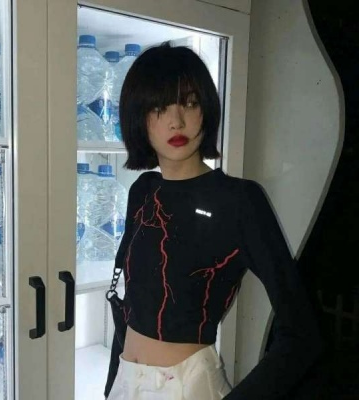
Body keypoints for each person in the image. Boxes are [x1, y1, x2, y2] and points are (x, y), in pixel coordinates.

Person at [104, 42, 324, 400]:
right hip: (127, 382)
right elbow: (132, 305)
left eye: (189, 103)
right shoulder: (143, 190)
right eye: (159, 107)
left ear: (207, 108)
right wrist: (112, 387)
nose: (176, 120)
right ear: (138, 118)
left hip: (188, 387)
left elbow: (303, 334)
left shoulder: (239, 201)